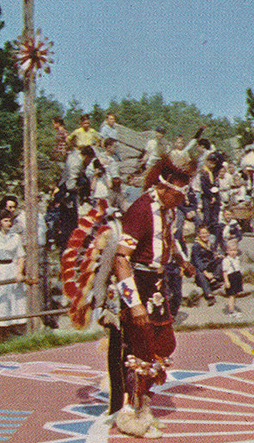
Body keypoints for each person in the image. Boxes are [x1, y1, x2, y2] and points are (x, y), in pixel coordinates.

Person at [108, 154, 197, 438]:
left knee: (164, 343)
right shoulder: (141, 210)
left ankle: (144, 404)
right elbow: (121, 258)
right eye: (178, 194)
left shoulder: (168, 209)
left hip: (158, 284)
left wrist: (182, 261)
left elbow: (168, 238)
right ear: (163, 186)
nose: (181, 200)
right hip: (138, 283)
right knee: (141, 350)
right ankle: (129, 412)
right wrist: (134, 303)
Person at [0, 214, 30, 333]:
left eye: (10, 221)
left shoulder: (15, 237)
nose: (9, 223)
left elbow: (21, 256)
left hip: (10, 267)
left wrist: (19, 272)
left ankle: (13, 327)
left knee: (13, 297)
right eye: (6, 220)